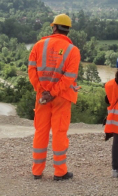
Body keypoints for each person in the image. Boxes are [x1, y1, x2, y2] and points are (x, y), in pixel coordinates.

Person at [28, 14, 80, 181]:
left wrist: (42, 91)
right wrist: (53, 93)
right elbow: (69, 78)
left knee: (41, 132)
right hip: (61, 98)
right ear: (68, 30)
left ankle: (37, 171)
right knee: (59, 133)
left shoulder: (38, 46)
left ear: (54, 27)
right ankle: (59, 172)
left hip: (42, 98)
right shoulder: (73, 51)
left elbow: (32, 72)